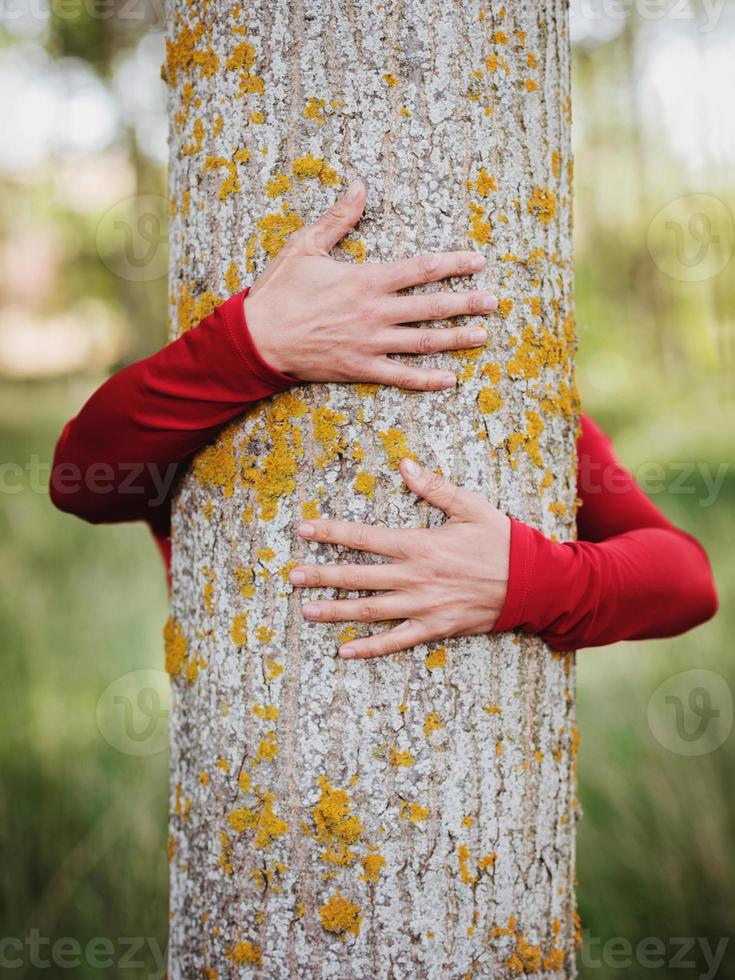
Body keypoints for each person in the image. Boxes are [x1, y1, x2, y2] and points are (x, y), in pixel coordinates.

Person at [50, 179, 718, 660]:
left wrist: (532, 580)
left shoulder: (529, 413)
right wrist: (257, 344)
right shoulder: (205, 392)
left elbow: (686, 581)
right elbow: (82, 481)